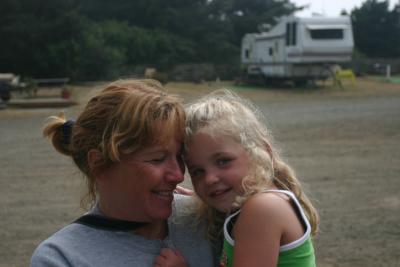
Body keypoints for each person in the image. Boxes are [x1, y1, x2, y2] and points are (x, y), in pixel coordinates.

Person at [30, 79, 217, 267]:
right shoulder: (60, 258)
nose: (178, 176)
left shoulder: (205, 220)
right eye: (157, 159)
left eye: (179, 156)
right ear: (98, 165)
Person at [158, 89, 319, 267]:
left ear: (262, 151)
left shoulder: (263, 209)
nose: (209, 179)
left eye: (223, 161)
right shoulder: (256, 205)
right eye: (197, 171)